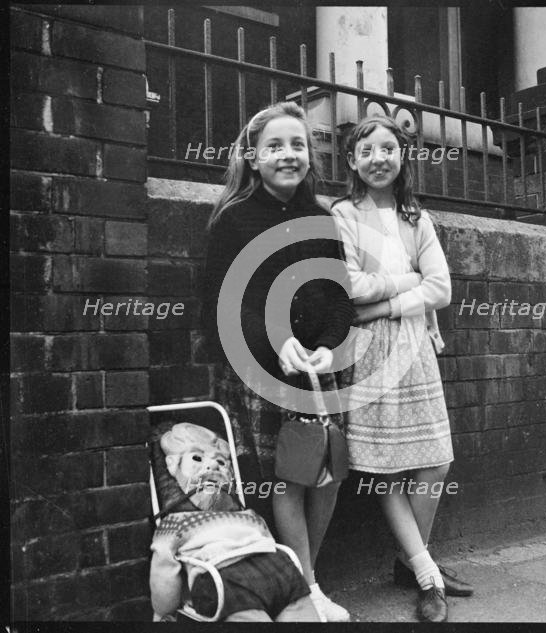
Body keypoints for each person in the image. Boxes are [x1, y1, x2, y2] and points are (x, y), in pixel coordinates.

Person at [200, 101, 353, 622]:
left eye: (298, 145)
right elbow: (221, 306)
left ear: (310, 157)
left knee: (327, 472)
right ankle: (307, 587)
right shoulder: (234, 220)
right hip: (261, 369)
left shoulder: (322, 219)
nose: (288, 155)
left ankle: (312, 578)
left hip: (320, 369)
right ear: (253, 157)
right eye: (275, 146)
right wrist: (273, 340)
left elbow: (339, 300)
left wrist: (330, 345)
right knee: (288, 475)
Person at [331, 115, 472, 622]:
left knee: (435, 460)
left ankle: (412, 560)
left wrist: (387, 298)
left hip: (413, 344)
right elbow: (349, 285)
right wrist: (405, 280)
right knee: (387, 468)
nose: (378, 158)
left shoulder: (417, 217)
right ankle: (427, 575)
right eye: (366, 150)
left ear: (403, 155)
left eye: (388, 148)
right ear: (352, 160)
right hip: (370, 352)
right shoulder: (344, 213)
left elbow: (443, 289)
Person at [149, 422, 320, 622]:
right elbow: (164, 571)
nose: (212, 465)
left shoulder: (244, 515)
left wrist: (162, 612)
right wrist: (164, 610)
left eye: (221, 462)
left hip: (251, 573)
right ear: (172, 465)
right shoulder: (179, 522)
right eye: (197, 458)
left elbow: (164, 574)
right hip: (254, 572)